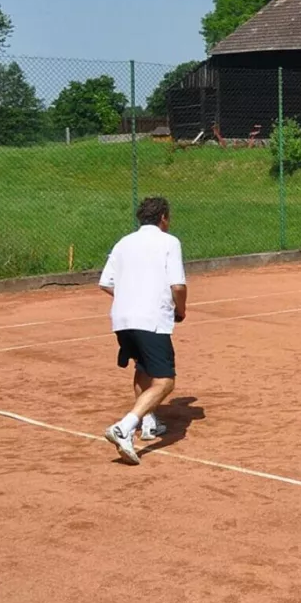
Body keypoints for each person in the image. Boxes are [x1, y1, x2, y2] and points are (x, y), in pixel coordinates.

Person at [100, 196, 187, 465]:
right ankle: (124, 427)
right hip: (151, 319)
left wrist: (130, 296)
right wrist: (180, 310)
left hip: (122, 319)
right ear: (163, 217)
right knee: (165, 381)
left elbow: (105, 282)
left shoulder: (123, 243)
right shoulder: (169, 242)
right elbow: (178, 286)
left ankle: (148, 424)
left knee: (143, 369)